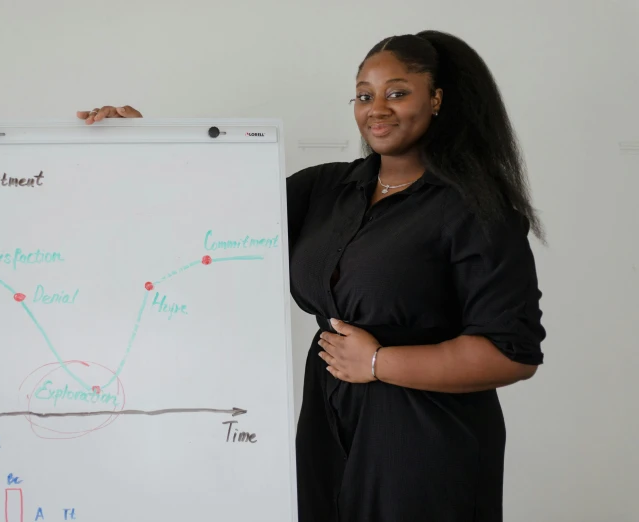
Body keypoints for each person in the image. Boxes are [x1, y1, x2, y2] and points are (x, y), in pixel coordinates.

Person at [76, 29, 546, 522]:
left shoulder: (475, 209)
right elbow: (212, 215)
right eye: (364, 95)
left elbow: (510, 354)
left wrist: (377, 362)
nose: (376, 109)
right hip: (327, 421)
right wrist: (142, 141)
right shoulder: (328, 188)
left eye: (397, 93)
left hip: (424, 437)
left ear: (437, 99)